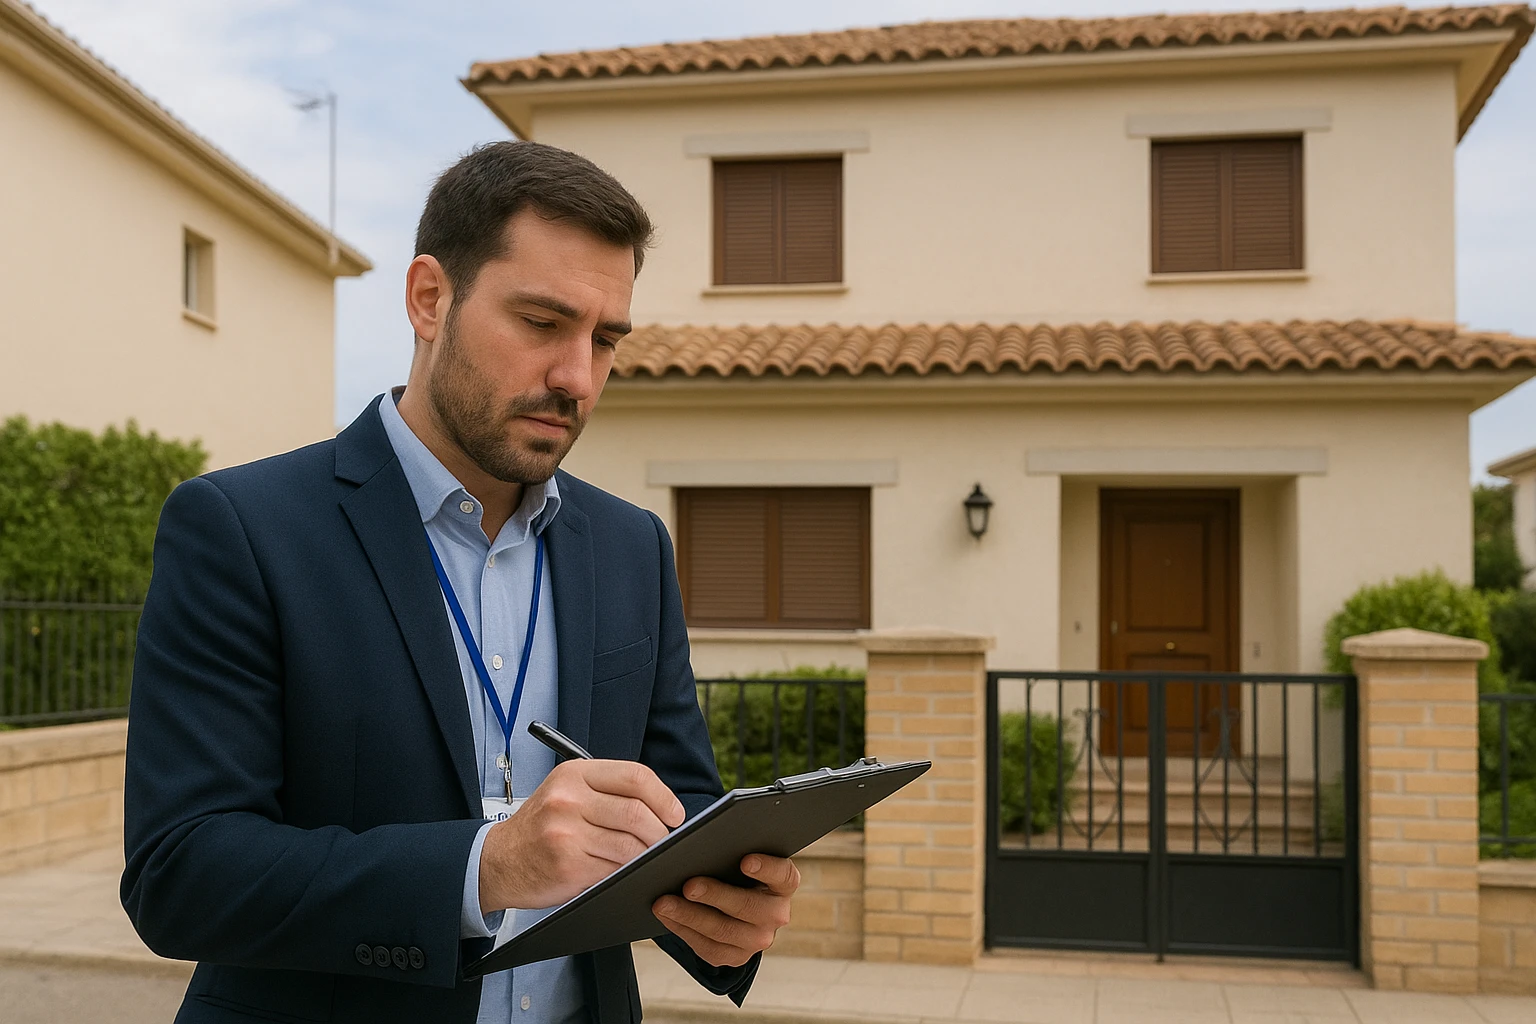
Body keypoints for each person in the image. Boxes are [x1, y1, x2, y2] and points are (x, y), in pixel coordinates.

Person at [121, 140, 799, 1024]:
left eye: (605, 340)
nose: (577, 376)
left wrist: (724, 906)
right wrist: (484, 867)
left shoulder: (634, 546)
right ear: (429, 298)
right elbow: (182, 871)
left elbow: (675, 810)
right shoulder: (242, 528)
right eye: (543, 323)